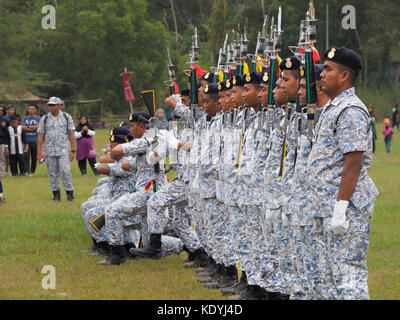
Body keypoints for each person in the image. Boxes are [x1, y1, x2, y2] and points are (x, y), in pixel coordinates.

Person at [307, 46, 379, 299]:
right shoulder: (334, 106)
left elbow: (354, 162)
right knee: (329, 276)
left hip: (346, 209)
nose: (322, 74)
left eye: (328, 69)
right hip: (326, 204)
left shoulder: (350, 110)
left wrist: (341, 206)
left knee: (349, 277)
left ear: (345, 75)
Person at [37, 96, 76, 201]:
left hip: (64, 150)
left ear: (59, 105)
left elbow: (71, 134)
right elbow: (40, 136)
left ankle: (70, 194)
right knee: (52, 173)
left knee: (65, 171)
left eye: (53, 105)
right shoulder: (44, 119)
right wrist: (38, 153)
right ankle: (56, 195)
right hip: (49, 151)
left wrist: (73, 150)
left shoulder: (67, 117)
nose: (51, 107)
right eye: (49, 105)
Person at [22, 104, 41, 175]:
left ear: (35, 110)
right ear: (28, 110)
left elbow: (38, 127)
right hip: (26, 140)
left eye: (33, 109)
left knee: (34, 157)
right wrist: (33, 127)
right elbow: (23, 127)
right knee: (26, 156)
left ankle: (33, 171)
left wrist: (28, 127)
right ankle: (27, 170)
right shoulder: (25, 118)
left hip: (35, 140)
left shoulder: (38, 118)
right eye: (30, 109)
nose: (31, 110)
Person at [0, 108, 10, 178]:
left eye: (1, 110)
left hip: (2, 143)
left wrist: (7, 146)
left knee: (2, 159)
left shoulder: (5, 121)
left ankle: (2, 174)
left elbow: (7, 134)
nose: (0, 111)